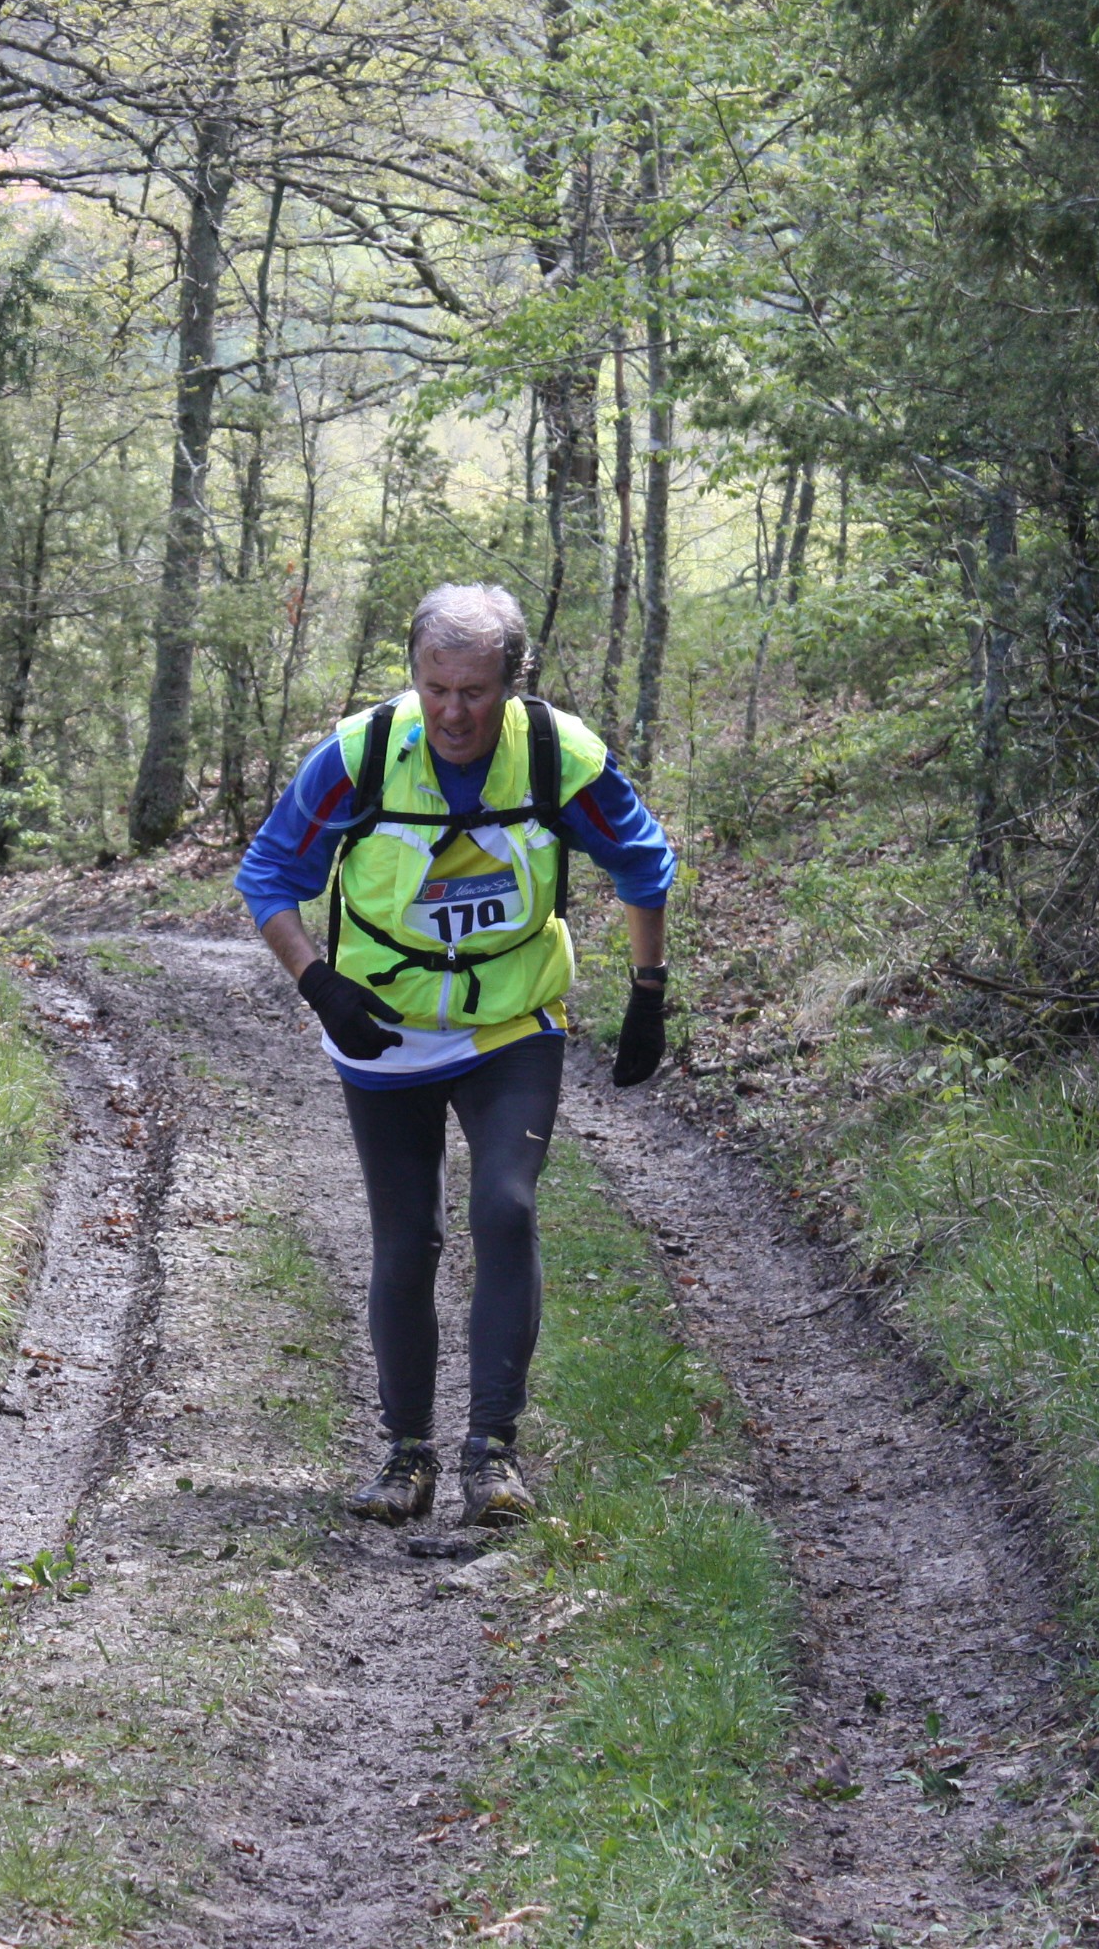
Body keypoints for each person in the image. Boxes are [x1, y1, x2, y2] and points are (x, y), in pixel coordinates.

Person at [236, 583, 678, 1530]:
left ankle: (493, 1455)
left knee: (504, 1208)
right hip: (383, 1029)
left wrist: (648, 993)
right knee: (409, 1240)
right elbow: (268, 875)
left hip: (511, 1021)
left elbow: (644, 860)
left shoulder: (558, 755)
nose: (452, 712)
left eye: (475, 691)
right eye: (436, 687)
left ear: (512, 686)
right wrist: (318, 982)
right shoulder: (359, 758)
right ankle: (405, 1457)